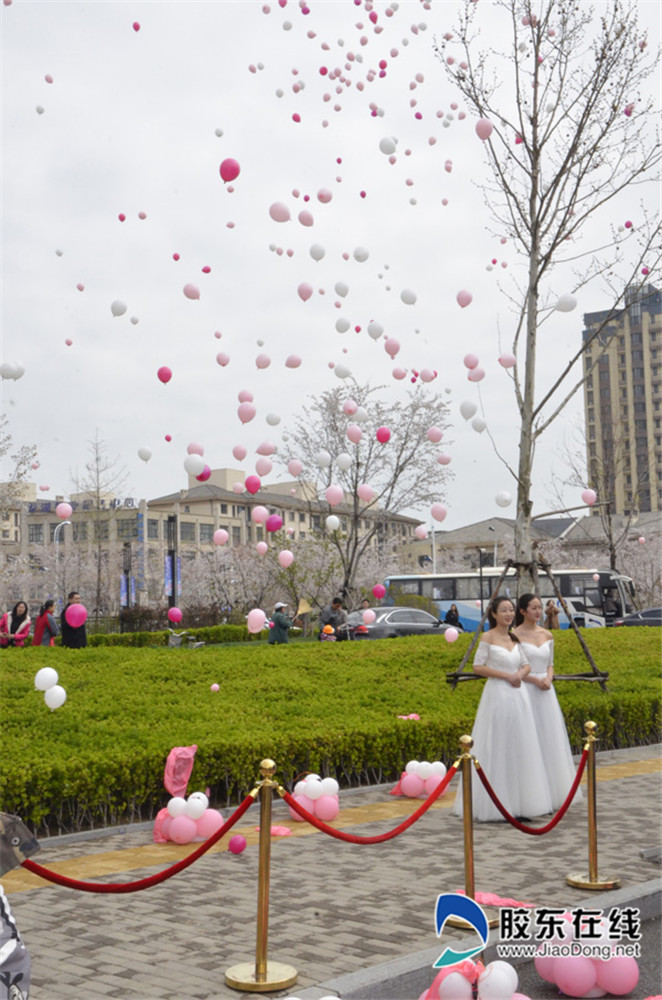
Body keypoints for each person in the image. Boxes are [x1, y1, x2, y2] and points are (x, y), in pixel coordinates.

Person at [452, 595, 553, 822]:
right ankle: (496, 803)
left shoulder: (514, 638)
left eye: (510, 610)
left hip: (518, 696)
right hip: (498, 695)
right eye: (503, 611)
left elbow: (527, 664)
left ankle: (520, 802)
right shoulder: (488, 637)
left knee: (519, 746)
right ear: (494, 614)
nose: (508, 614)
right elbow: (478, 666)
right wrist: (507, 676)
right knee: (498, 745)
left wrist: (519, 674)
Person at [514, 594, 582, 809]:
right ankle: (531, 794)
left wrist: (548, 679)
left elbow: (550, 663)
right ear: (522, 611)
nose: (538, 611)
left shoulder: (548, 634)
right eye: (533, 607)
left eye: (539, 607)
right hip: (526, 688)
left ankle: (554, 792)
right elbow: (514, 667)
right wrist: (534, 680)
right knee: (527, 739)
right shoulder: (514, 635)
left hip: (546, 690)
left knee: (549, 737)